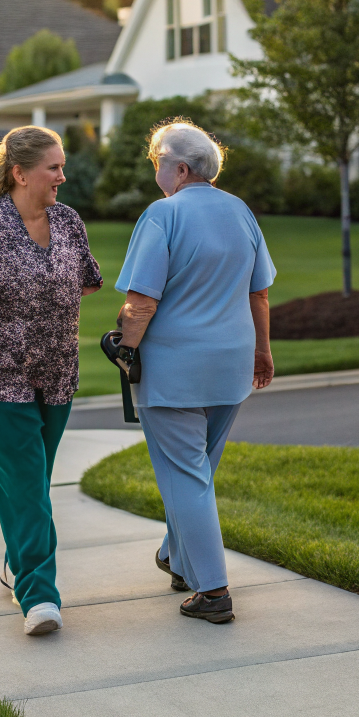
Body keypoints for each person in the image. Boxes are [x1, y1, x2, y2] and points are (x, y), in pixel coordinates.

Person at [0, 126, 103, 636]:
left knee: (32, 485)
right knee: (29, 486)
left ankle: (15, 562)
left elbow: (87, 281)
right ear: (20, 173)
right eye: (53, 167)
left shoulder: (68, 221)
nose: (62, 175)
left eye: (62, 165)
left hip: (55, 374)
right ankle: (39, 598)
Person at [113, 120, 275, 624]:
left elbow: (140, 303)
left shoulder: (163, 215)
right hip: (231, 366)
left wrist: (124, 349)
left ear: (179, 169)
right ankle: (178, 559)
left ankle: (214, 591)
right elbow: (259, 292)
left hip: (175, 371)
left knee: (186, 476)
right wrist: (262, 352)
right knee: (197, 470)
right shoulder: (240, 211)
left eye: (157, 161)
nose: (155, 170)